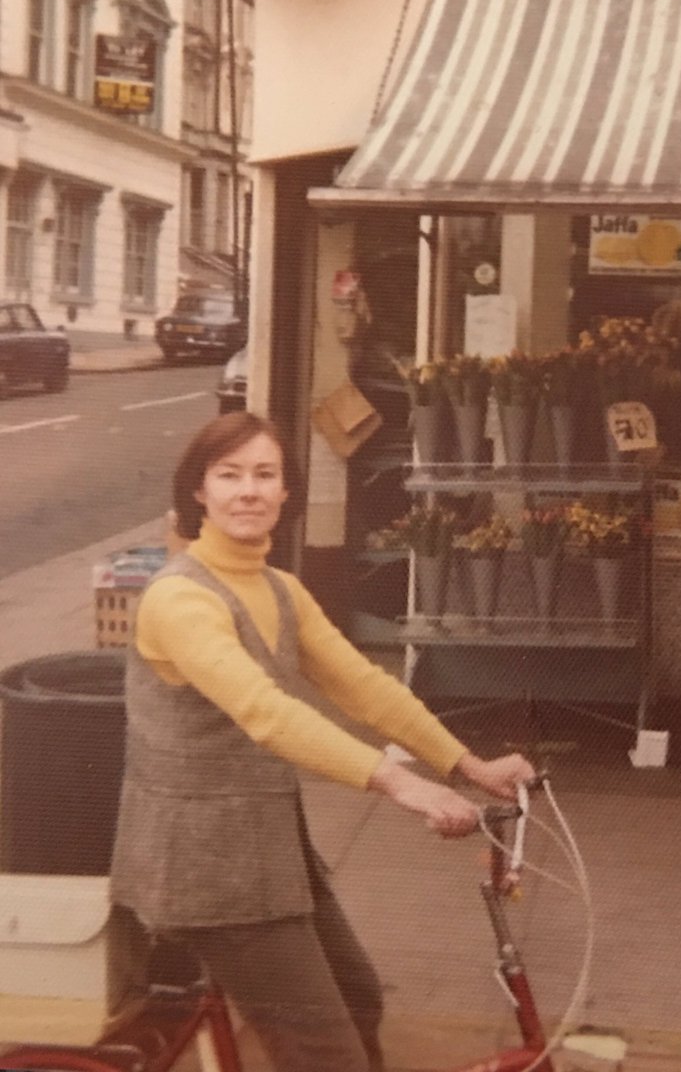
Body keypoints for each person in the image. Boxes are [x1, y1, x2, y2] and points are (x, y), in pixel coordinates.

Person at [108, 411, 535, 1072]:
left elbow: (362, 684)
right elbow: (267, 713)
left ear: (285, 491)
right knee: (323, 1053)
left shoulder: (279, 588)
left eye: (265, 474)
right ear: (199, 491)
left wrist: (467, 765)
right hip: (206, 868)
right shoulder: (179, 599)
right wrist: (401, 782)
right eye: (229, 475)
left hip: (266, 850)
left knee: (358, 997)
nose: (248, 490)